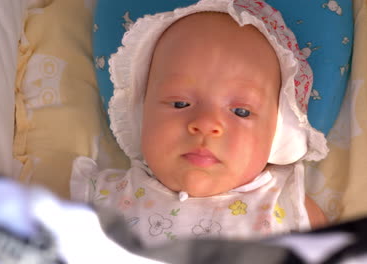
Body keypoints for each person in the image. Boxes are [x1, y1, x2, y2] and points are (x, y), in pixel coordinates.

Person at [71, 0, 329, 247]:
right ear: (141, 113)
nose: (206, 124)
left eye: (240, 111)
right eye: (180, 104)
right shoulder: (101, 199)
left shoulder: (288, 206)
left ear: (278, 133)